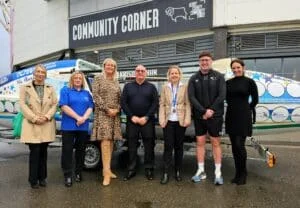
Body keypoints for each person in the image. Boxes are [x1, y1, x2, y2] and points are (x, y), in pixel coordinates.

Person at [188, 51, 226, 185]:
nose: (204, 62)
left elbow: (222, 95)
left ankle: (218, 172)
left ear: (211, 62)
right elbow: (191, 97)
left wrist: (211, 110)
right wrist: (203, 111)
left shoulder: (219, 76)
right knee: (200, 143)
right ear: (199, 62)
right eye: (202, 60)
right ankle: (201, 171)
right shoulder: (193, 78)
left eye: (207, 60)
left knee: (215, 142)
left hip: (215, 116)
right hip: (200, 116)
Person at [19, 64, 58, 189]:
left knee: (43, 152)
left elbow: (54, 104)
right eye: (38, 71)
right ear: (34, 73)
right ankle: (33, 180)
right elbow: (22, 105)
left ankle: (42, 178)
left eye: (42, 72)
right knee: (34, 152)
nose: (40, 74)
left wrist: (46, 117)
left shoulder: (50, 88)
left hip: (46, 124)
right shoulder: (25, 87)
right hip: (32, 124)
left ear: (45, 75)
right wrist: (35, 118)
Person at [121, 64, 159, 181]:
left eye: (142, 71)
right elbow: (123, 103)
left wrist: (146, 117)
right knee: (131, 146)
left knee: (149, 146)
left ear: (145, 73)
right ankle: (131, 169)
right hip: (132, 121)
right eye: (138, 71)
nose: (140, 73)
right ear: (135, 73)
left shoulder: (152, 87)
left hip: (147, 121)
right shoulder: (128, 87)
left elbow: (155, 103)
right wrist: (132, 116)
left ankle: (149, 168)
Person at [226, 58, 259, 185]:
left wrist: (246, 109)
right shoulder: (228, 83)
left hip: (243, 116)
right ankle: (237, 173)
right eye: (233, 68)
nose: (236, 70)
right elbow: (226, 98)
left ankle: (243, 173)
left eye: (238, 67)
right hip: (231, 115)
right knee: (234, 146)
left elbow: (255, 100)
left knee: (240, 145)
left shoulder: (250, 82)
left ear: (243, 67)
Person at [59, 71, 94, 187]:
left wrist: (84, 118)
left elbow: (90, 107)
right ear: (72, 80)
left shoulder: (86, 93)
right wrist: (78, 117)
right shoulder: (65, 91)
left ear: (82, 80)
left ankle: (78, 172)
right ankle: (67, 175)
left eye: (80, 78)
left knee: (80, 151)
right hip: (68, 126)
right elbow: (64, 106)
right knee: (67, 151)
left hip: (83, 127)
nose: (78, 80)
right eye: (76, 78)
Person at [91, 58, 122, 186]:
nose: (110, 67)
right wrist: (107, 109)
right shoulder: (98, 78)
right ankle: (106, 172)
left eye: (112, 65)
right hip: (103, 114)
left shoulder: (116, 81)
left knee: (110, 143)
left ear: (115, 68)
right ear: (104, 66)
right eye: (108, 65)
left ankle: (108, 170)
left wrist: (117, 109)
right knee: (105, 142)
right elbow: (95, 95)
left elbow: (120, 98)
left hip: (114, 114)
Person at [159, 65, 191, 184]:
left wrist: (187, 118)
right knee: (168, 147)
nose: (174, 75)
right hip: (168, 121)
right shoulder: (165, 87)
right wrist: (162, 120)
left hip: (180, 121)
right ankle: (166, 172)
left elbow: (188, 104)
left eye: (176, 73)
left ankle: (178, 171)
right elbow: (161, 104)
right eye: (172, 73)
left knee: (179, 147)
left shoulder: (184, 87)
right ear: (169, 75)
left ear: (179, 75)